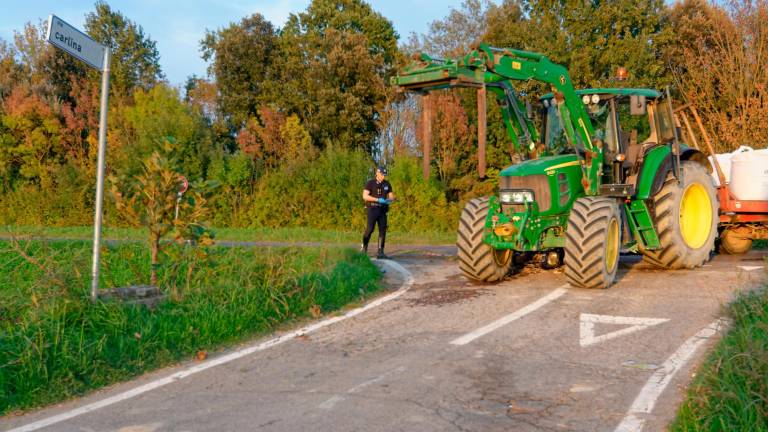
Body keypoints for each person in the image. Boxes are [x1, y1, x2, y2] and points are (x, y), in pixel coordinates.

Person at [361, 166, 395, 258]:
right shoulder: (370, 183)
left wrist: (389, 200)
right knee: (370, 229)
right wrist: (377, 200)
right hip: (372, 208)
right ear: (377, 173)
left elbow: (392, 197)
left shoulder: (387, 184)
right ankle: (364, 248)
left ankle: (380, 252)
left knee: (382, 230)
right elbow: (365, 196)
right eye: (382, 175)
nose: (383, 177)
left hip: (383, 210)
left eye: (385, 175)